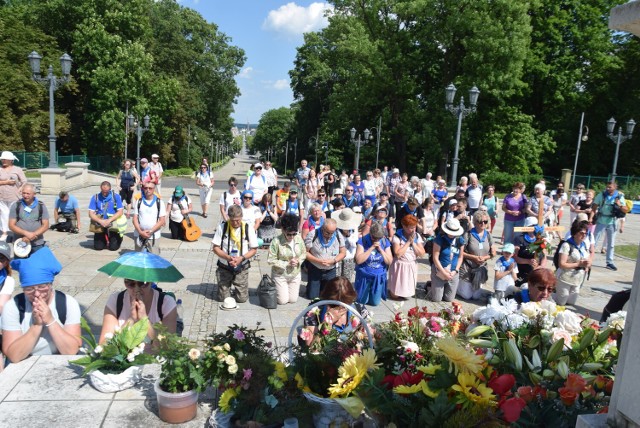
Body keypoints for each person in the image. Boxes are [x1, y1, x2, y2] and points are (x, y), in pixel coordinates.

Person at [2, 247, 81, 362]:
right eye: (29, 289)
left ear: (51, 284)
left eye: (42, 287)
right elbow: (13, 356)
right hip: (23, 363)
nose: (37, 293)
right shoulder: (13, 307)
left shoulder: (68, 303)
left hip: (59, 361)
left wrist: (50, 321)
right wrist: (36, 325)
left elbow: (71, 351)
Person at [99, 278, 177, 345]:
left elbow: (167, 348)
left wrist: (144, 320)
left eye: (143, 283)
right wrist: (131, 319)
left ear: (151, 281)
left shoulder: (166, 303)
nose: (136, 290)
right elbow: (104, 345)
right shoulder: (115, 300)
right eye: (130, 283)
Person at [301, 277, 370, 347]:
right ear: (325, 299)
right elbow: (310, 347)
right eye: (332, 306)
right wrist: (326, 327)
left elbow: (371, 340)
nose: (339, 310)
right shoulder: (314, 310)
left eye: (344, 306)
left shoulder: (358, 310)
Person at [211, 205, 259, 303]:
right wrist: (228, 258)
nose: (235, 223)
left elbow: (254, 249)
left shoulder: (248, 227)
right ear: (228, 217)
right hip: (224, 266)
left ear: (241, 217)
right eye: (232, 220)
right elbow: (215, 248)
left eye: (238, 220)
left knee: (242, 299)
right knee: (223, 299)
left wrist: (241, 258)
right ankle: (225, 289)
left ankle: (238, 288)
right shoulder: (222, 227)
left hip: (242, 266)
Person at [267, 214, 307, 305]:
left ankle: (285, 289)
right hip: (280, 274)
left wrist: (298, 261)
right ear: (283, 230)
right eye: (289, 234)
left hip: (295, 274)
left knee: (293, 300)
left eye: (294, 233)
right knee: (282, 301)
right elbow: (270, 260)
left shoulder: (298, 238)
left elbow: (304, 253)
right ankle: (277, 285)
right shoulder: (276, 241)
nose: (292, 237)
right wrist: (287, 263)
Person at [304, 218, 346, 299]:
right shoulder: (313, 234)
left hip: (331, 269)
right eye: (327, 233)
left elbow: (343, 252)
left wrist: (334, 260)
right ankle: (311, 287)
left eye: (332, 233)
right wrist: (318, 261)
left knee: (328, 296)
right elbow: (305, 252)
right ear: (322, 228)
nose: (329, 235)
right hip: (315, 268)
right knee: (313, 297)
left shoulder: (338, 235)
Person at [457, 211, 495, 300]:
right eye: (480, 221)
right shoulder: (468, 234)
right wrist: (474, 257)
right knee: (467, 296)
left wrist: (485, 257)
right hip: (468, 268)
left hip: (480, 268)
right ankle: (456, 286)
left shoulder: (488, 235)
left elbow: (493, 252)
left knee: (476, 296)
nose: (483, 223)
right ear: (475, 222)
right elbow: (460, 252)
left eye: (485, 221)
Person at [354, 222, 393, 306]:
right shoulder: (363, 241)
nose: (376, 240)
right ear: (370, 233)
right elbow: (358, 260)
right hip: (365, 275)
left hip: (378, 275)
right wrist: (371, 248)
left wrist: (381, 250)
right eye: (374, 238)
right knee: (362, 301)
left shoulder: (385, 242)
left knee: (375, 303)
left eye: (378, 238)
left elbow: (389, 261)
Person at [554, 220, 592, 305]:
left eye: (586, 233)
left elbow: (588, 258)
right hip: (565, 278)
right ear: (575, 233)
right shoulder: (566, 245)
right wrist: (578, 264)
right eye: (581, 233)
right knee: (561, 302)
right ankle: (549, 297)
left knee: (571, 302)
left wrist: (587, 265)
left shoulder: (584, 246)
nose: (584, 235)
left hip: (577, 279)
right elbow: (562, 264)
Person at [388, 215, 425, 300]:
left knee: (406, 295)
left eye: (414, 227)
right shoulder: (397, 236)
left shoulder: (417, 236)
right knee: (395, 296)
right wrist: (408, 242)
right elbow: (397, 254)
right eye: (410, 228)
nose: (413, 230)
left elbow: (422, 253)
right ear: (404, 226)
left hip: (411, 264)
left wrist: (413, 243)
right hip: (400, 264)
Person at [429, 218, 466, 302]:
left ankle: (444, 286)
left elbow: (460, 257)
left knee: (449, 299)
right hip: (440, 270)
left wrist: (456, 270)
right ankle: (429, 286)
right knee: (436, 299)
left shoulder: (460, 240)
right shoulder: (439, 239)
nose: (452, 234)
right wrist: (443, 272)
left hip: (453, 272)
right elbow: (435, 257)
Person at [593, 182, 625, 271]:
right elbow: (594, 206)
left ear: (615, 187)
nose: (607, 189)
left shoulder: (619, 196)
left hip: (612, 221)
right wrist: (592, 217)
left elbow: (626, 209)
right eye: (607, 187)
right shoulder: (602, 195)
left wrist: (619, 204)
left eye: (610, 187)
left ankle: (609, 262)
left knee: (611, 243)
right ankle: (588, 258)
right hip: (601, 220)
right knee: (594, 241)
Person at [9, 183, 49, 255]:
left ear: (34, 194)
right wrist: (26, 233)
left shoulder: (41, 206)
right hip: (20, 242)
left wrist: (33, 235)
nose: (25, 195)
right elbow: (11, 225)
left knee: (37, 264)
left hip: (37, 243)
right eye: (23, 193)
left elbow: (45, 225)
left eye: (28, 193)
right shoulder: (16, 205)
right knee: (21, 264)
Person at [88, 181, 125, 251]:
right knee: (98, 247)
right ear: (100, 188)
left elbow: (120, 212)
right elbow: (90, 213)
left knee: (113, 248)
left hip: (112, 222)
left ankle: (118, 237)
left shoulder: (116, 197)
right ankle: (104, 237)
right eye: (103, 191)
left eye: (106, 191)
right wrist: (100, 221)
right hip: (100, 223)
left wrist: (109, 220)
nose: (104, 193)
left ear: (110, 189)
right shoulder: (95, 197)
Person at [513, 217, 548, 287]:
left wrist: (541, 266)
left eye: (536, 226)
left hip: (537, 271)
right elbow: (515, 257)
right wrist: (528, 261)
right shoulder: (519, 239)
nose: (534, 228)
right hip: (523, 272)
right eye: (532, 226)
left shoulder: (540, 239)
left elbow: (544, 256)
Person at [0, 151, 27, 242]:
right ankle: (4, 233)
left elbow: (24, 181)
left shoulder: (17, 169)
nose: (3, 161)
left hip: (14, 197)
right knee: (4, 215)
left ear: (11, 160)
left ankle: (16, 232)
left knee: (15, 215)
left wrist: (21, 189)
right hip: (2, 197)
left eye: (5, 159)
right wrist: (6, 182)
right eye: (2, 159)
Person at [333, 208, 360, 283]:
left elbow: (354, 244)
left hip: (350, 256)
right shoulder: (336, 230)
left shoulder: (354, 228)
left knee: (347, 279)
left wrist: (348, 236)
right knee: (337, 278)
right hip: (337, 256)